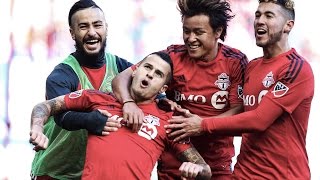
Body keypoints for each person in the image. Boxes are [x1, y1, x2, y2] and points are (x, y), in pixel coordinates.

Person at [164, 0, 314, 179]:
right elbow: (240, 117)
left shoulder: (296, 68)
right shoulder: (252, 66)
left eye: (269, 15)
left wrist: (202, 125)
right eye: (258, 15)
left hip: (282, 175)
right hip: (243, 173)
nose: (259, 20)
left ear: (288, 26)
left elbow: (259, 120)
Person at [112, 0, 249, 179]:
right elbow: (121, 78)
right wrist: (128, 103)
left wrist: (201, 125)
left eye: (198, 32)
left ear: (218, 31)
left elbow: (239, 111)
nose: (190, 39)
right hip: (173, 163)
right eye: (186, 31)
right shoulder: (173, 56)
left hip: (216, 163)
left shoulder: (235, 61)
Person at [29, 52, 212, 180]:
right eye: (147, 67)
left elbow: (205, 169)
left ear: (163, 88)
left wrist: (197, 169)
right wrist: (37, 128)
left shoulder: (167, 121)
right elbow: (45, 106)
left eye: (158, 74)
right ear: (135, 70)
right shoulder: (96, 98)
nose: (150, 74)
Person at [29, 0, 132, 179]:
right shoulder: (62, 75)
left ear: (106, 28)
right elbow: (63, 117)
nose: (92, 32)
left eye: (97, 25)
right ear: (72, 32)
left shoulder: (123, 68)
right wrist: (90, 120)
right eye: (83, 26)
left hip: (93, 174)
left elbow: (153, 87)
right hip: (55, 172)